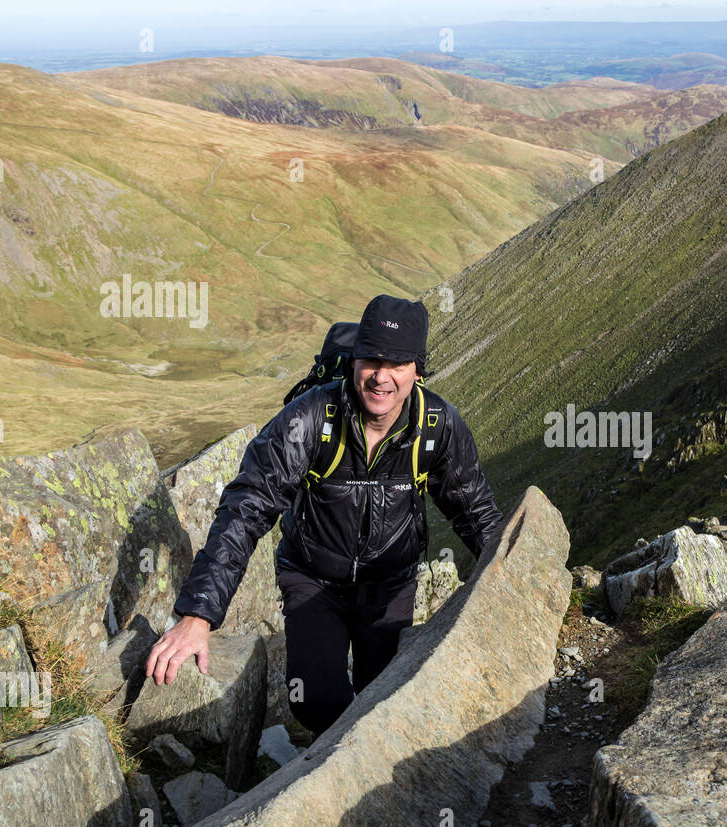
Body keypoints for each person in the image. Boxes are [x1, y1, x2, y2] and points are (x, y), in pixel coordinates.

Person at [145, 294, 504, 737]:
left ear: (418, 369)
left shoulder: (437, 426)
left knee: (384, 701)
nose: (382, 376)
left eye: (398, 363)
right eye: (371, 358)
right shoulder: (310, 418)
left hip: (390, 586)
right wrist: (198, 615)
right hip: (312, 579)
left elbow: (476, 511)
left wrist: (514, 585)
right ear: (354, 361)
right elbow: (247, 507)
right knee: (315, 703)